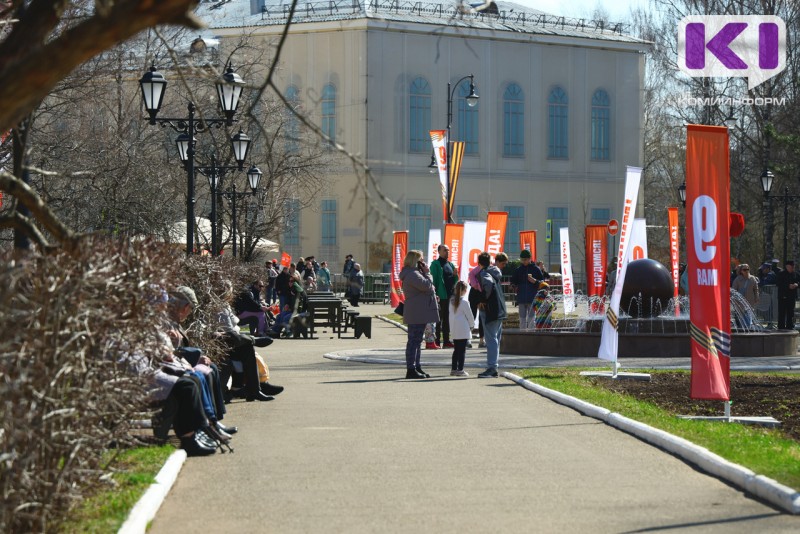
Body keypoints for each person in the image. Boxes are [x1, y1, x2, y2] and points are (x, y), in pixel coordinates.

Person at [217, 281, 283, 401]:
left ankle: (257, 389)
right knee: (249, 345)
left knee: (249, 348)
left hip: (236, 337)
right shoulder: (217, 306)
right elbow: (226, 328)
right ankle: (258, 388)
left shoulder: (226, 305)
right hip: (227, 341)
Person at [399, 250, 440, 379]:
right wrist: (428, 273)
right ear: (416, 261)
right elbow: (428, 286)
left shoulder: (414, 273)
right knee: (414, 341)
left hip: (418, 311)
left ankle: (416, 366)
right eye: (421, 260)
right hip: (416, 312)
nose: (423, 263)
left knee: (417, 341)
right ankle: (411, 369)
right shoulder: (413, 274)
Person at [477, 252, 508, 378]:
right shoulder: (495, 272)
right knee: (495, 339)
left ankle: (492, 368)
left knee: (491, 340)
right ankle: (493, 365)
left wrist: (483, 300)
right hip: (500, 308)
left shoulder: (484, 273)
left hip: (490, 309)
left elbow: (488, 285)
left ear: (479, 263)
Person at [430, 244, 456, 349]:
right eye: (445, 250)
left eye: (448, 250)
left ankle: (446, 341)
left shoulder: (450, 264)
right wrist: (434, 294)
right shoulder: (435, 264)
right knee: (438, 319)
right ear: (439, 252)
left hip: (449, 296)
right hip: (440, 296)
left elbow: (454, 280)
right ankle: (436, 341)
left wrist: (455, 276)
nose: (447, 252)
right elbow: (434, 280)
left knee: (447, 320)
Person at [510, 249, 545, 329]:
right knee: (522, 319)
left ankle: (531, 337)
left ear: (530, 259)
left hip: (532, 299)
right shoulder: (518, 270)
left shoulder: (536, 269)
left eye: (525, 259)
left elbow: (542, 283)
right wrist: (512, 285)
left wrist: (535, 281)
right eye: (522, 260)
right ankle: (522, 336)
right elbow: (513, 281)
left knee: (531, 319)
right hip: (521, 299)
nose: (523, 261)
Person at [448, 280, 474, 377]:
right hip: (463, 328)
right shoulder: (464, 302)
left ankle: (454, 369)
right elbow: (470, 316)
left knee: (456, 350)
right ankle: (460, 369)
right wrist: (472, 325)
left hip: (454, 329)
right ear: (465, 290)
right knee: (462, 350)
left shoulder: (451, 301)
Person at [731, 264, 759, 329]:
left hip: (750, 302)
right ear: (741, 271)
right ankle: (742, 330)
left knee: (748, 319)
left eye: (747, 269)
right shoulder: (737, 280)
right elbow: (733, 290)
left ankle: (748, 330)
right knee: (740, 319)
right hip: (739, 303)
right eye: (744, 269)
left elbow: (756, 289)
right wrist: (735, 301)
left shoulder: (753, 279)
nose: (746, 271)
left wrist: (757, 297)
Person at [776, 260, 799, 330]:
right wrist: (788, 286)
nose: (792, 268)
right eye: (790, 267)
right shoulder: (781, 273)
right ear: (786, 266)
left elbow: (798, 281)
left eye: (793, 267)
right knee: (782, 311)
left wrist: (796, 284)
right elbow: (778, 283)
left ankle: (790, 326)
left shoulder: (795, 274)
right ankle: (781, 326)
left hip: (792, 296)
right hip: (783, 296)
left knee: (790, 312)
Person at [468, 263, 485, 348]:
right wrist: (476, 285)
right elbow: (470, 275)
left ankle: (482, 340)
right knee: (472, 316)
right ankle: (468, 339)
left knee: (481, 317)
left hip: (480, 294)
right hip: (475, 293)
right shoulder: (478, 269)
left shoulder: (485, 268)